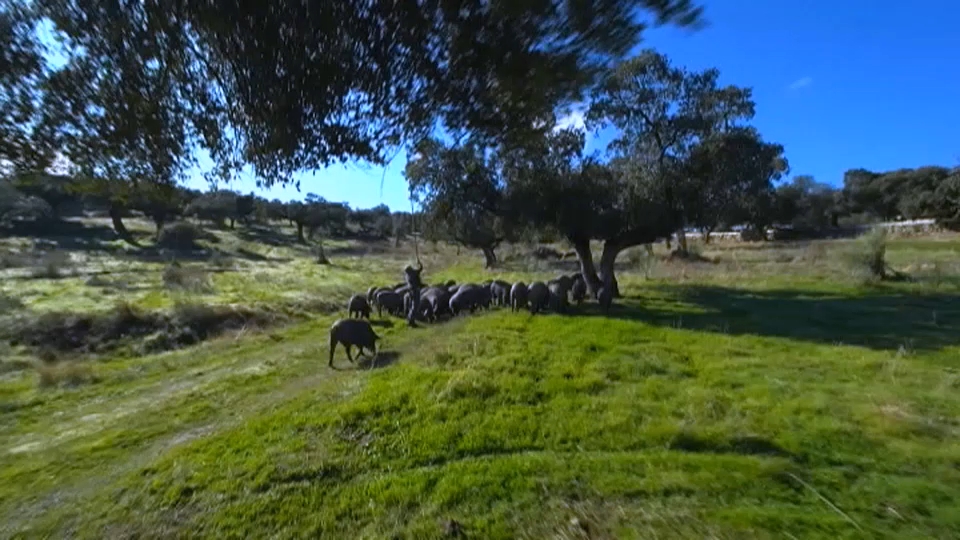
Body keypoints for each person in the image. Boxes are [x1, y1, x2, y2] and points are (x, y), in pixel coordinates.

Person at [403, 260, 423, 326]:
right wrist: (419, 263)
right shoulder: (413, 273)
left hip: (410, 291)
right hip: (415, 290)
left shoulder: (407, 275)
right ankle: (411, 321)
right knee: (415, 306)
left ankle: (409, 319)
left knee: (412, 305)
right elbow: (420, 269)